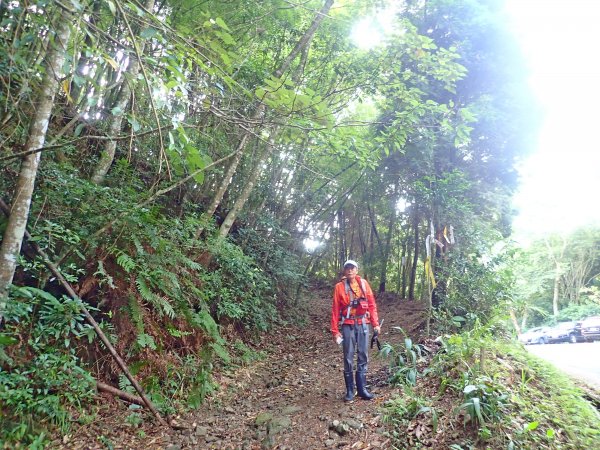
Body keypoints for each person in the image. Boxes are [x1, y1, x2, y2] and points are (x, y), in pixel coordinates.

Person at [331, 259, 381, 402]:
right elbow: (335, 310)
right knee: (348, 356)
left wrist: (375, 323)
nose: (350, 270)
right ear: (344, 271)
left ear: (357, 270)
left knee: (363, 355)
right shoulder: (339, 287)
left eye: (352, 268)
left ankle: (362, 389)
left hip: (363, 323)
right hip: (348, 324)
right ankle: (350, 390)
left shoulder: (364, 285)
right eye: (347, 268)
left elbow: (371, 305)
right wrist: (335, 331)